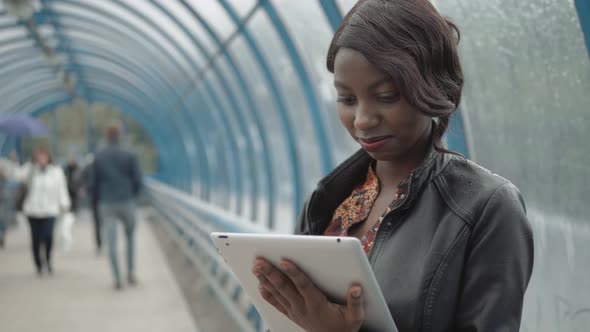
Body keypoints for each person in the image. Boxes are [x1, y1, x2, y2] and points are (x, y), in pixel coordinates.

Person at [251, 1, 534, 331]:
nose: (362, 120)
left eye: (386, 96)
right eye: (347, 99)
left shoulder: (486, 208)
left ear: (432, 85)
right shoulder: (327, 201)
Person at [1, 147, 70, 275]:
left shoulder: (56, 172)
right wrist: (12, 161)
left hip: (50, 210)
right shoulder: (30, 170)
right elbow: (16, 174)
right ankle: (38, 264)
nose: (42, 159)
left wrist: (65, 204)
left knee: (48, 236)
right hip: (33, 211)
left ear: (48, 157)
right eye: (39, 156)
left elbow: (62, 189)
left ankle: (48, 260)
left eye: (44, 156)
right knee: (36, 239)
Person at [91, 122, 142, 290]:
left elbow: (94, 182)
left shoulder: (99, 155)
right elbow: (137, 180)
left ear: (106, 136)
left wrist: (97, 200)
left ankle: (117, 278)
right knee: (130, 238)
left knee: (111, 243)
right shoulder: (130, 154)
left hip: (107, 202)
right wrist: (132, 195)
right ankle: (131, 272)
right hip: (126, 200)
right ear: (120, 136)